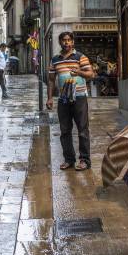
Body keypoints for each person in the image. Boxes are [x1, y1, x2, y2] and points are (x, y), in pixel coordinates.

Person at [46, 32, 94, 171]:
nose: (66, 43)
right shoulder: (55, 60)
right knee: (65, 130)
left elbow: (90, 74)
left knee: (82, 130)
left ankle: (84, 160)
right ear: (60, 42)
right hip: (63, 100)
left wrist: (79, 72)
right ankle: (69, 160)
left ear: (72, 42)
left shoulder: (80, 57)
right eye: (64, 40)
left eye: (69, 40)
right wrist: (49, 98)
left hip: (79, 98)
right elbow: (51, 80)